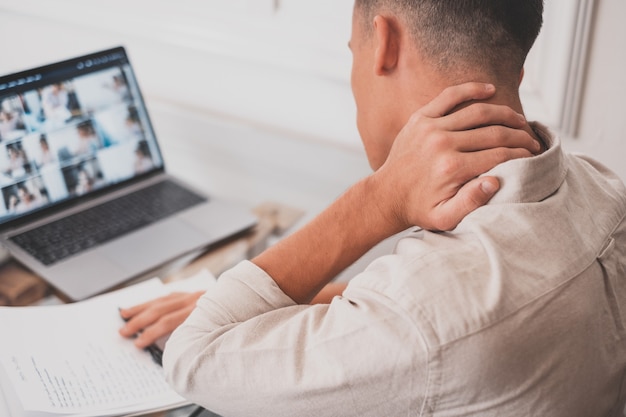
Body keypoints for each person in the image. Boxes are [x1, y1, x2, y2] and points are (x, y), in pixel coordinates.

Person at [119, 1, 626, 415]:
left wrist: (378, 198)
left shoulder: (424, 317)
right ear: (518, 63)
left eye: (352, 51)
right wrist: (292, 309)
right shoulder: (604, 193)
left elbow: (195, 356)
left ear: (384, 42)